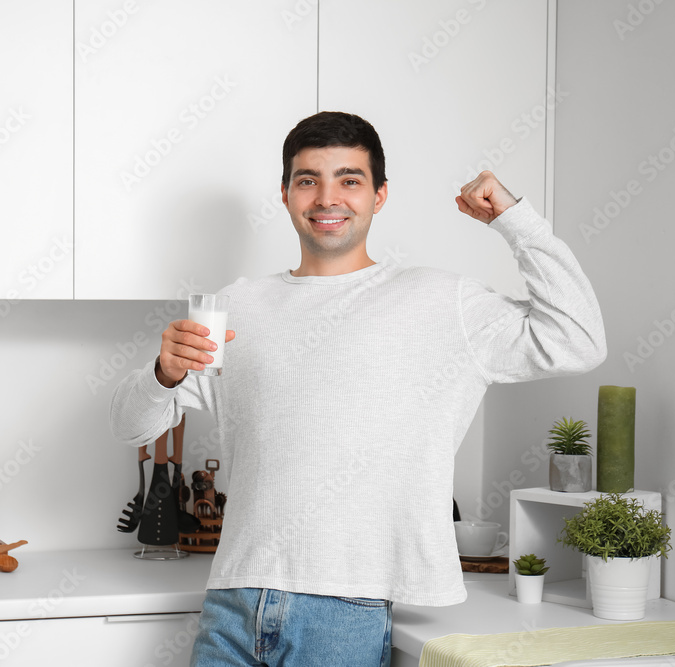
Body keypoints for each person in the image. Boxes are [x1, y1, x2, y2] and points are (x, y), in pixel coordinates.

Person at [110, 111, 606, 666]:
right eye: (307, 180)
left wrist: (516, 221)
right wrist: (162, 374)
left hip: (345, 611)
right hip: (232, 600)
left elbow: (578, 340)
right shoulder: (238, 305)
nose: (327, 198)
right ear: (285, 193)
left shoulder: (440, 303)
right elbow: (132, 425)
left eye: (349, 179)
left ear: (379, 195)